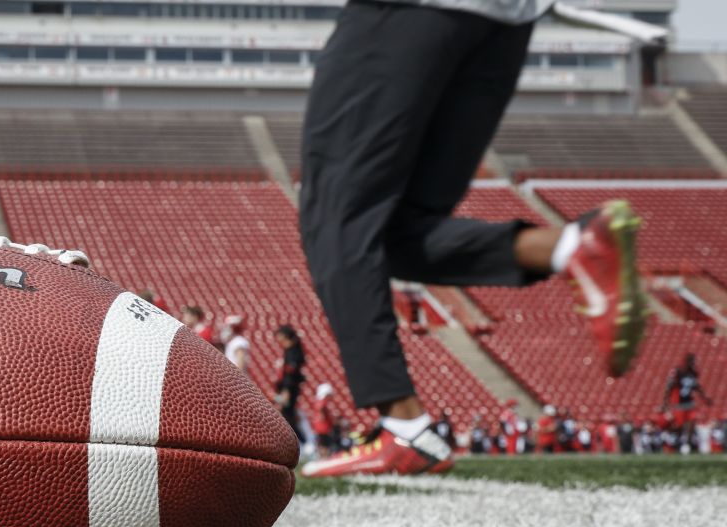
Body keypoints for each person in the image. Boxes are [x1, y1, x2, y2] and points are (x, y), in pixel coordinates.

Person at [298, 0, 647, 477]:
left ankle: (405, 428)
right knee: (397, 232)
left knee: (337, 222)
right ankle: (569, 248)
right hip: (505, 21)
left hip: (407, 13)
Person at [662, 353, 713, 453]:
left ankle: (687, 445)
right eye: (692, 361)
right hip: (679, 404)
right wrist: (665, 401)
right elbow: (669, 386)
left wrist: (705, 398)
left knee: (692, 423)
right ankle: (676, 444)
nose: (694, 363)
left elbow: (697, 387)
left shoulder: (693, 373)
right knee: (679, 427)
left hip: (690, 403)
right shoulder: (679, 372)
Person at [272, 325, 307, 443]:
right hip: (287, 387)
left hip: (290, 388)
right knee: (287, 414)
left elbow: (290, 374)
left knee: (288, 415)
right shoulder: (289, 351)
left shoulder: (293, 352)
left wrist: (286, 390)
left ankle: (302, 441)